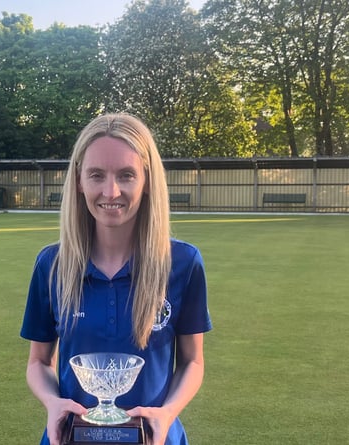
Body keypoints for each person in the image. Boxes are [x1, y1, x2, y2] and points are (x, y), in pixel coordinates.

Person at [20, 113, 212, 445]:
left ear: (147, 180)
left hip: (156, 439)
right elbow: (38, 361)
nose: (111, 191)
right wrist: (52, 403)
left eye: (126, 175)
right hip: (70, 439)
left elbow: (193, 361)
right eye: (96, 175)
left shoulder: (183, 263)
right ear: (79, 180)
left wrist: (167, 413)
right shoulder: (51, 265)